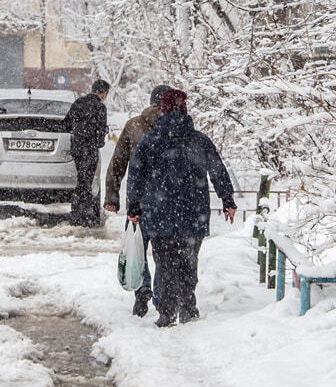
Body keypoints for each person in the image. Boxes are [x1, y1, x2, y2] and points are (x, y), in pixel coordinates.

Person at [126, 89, 236, 327]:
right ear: (185, 110)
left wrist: (133, 207)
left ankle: (165, 313)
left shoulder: (150, 140)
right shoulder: (199, 140)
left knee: (164, 263)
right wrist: (228, 200)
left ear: (163, 110)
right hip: (193, 215)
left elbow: (135, 175)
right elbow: (218, 171)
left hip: (159, 214)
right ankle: (187, 306)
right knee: (188, 260)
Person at [104, 83, 173, 317]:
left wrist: (112, 196)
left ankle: (142, 286)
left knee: (137, 248)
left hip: (138, 199)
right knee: (165, 252)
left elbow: (118, 162)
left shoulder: (133, 125)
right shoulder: (177, 126)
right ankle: (162, 295)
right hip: (168, 201)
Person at [63, 78, 109, 226]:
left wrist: (78, 131)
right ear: (103, 93)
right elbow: (101, 129)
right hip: (90, 147)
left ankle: (78, 211)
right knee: (86, 180)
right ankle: (82, 213)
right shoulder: (100, 107)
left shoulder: (79, 103)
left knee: (82, 178)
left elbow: (66, 124)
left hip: (77, 146)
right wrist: (98, 142)